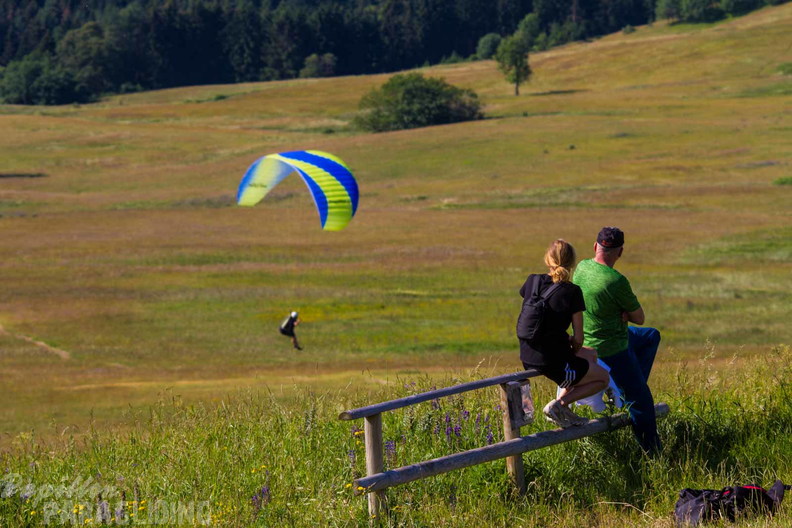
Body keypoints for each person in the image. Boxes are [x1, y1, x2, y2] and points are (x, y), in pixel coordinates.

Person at [573, 227, 662, 454]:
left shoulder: (582, 267)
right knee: (642, 403)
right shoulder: (616, 281)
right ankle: (653, 454)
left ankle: (625, 390)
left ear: (595, 246)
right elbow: (639, 318)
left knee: (651, 336)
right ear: (620, 252)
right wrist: (625, 314)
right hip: (612, 348)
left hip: (587, 341)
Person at [518, 239, 610, 428]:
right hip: (551, 360)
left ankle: (564, 409)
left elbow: (540, 319)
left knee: (591, 354)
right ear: (572, 262)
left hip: (527, 354)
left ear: (548, 259)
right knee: (603, 378)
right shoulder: (572, 291)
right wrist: (572, 346)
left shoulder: (532, 281)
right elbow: (579, 339)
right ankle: (558, 405)